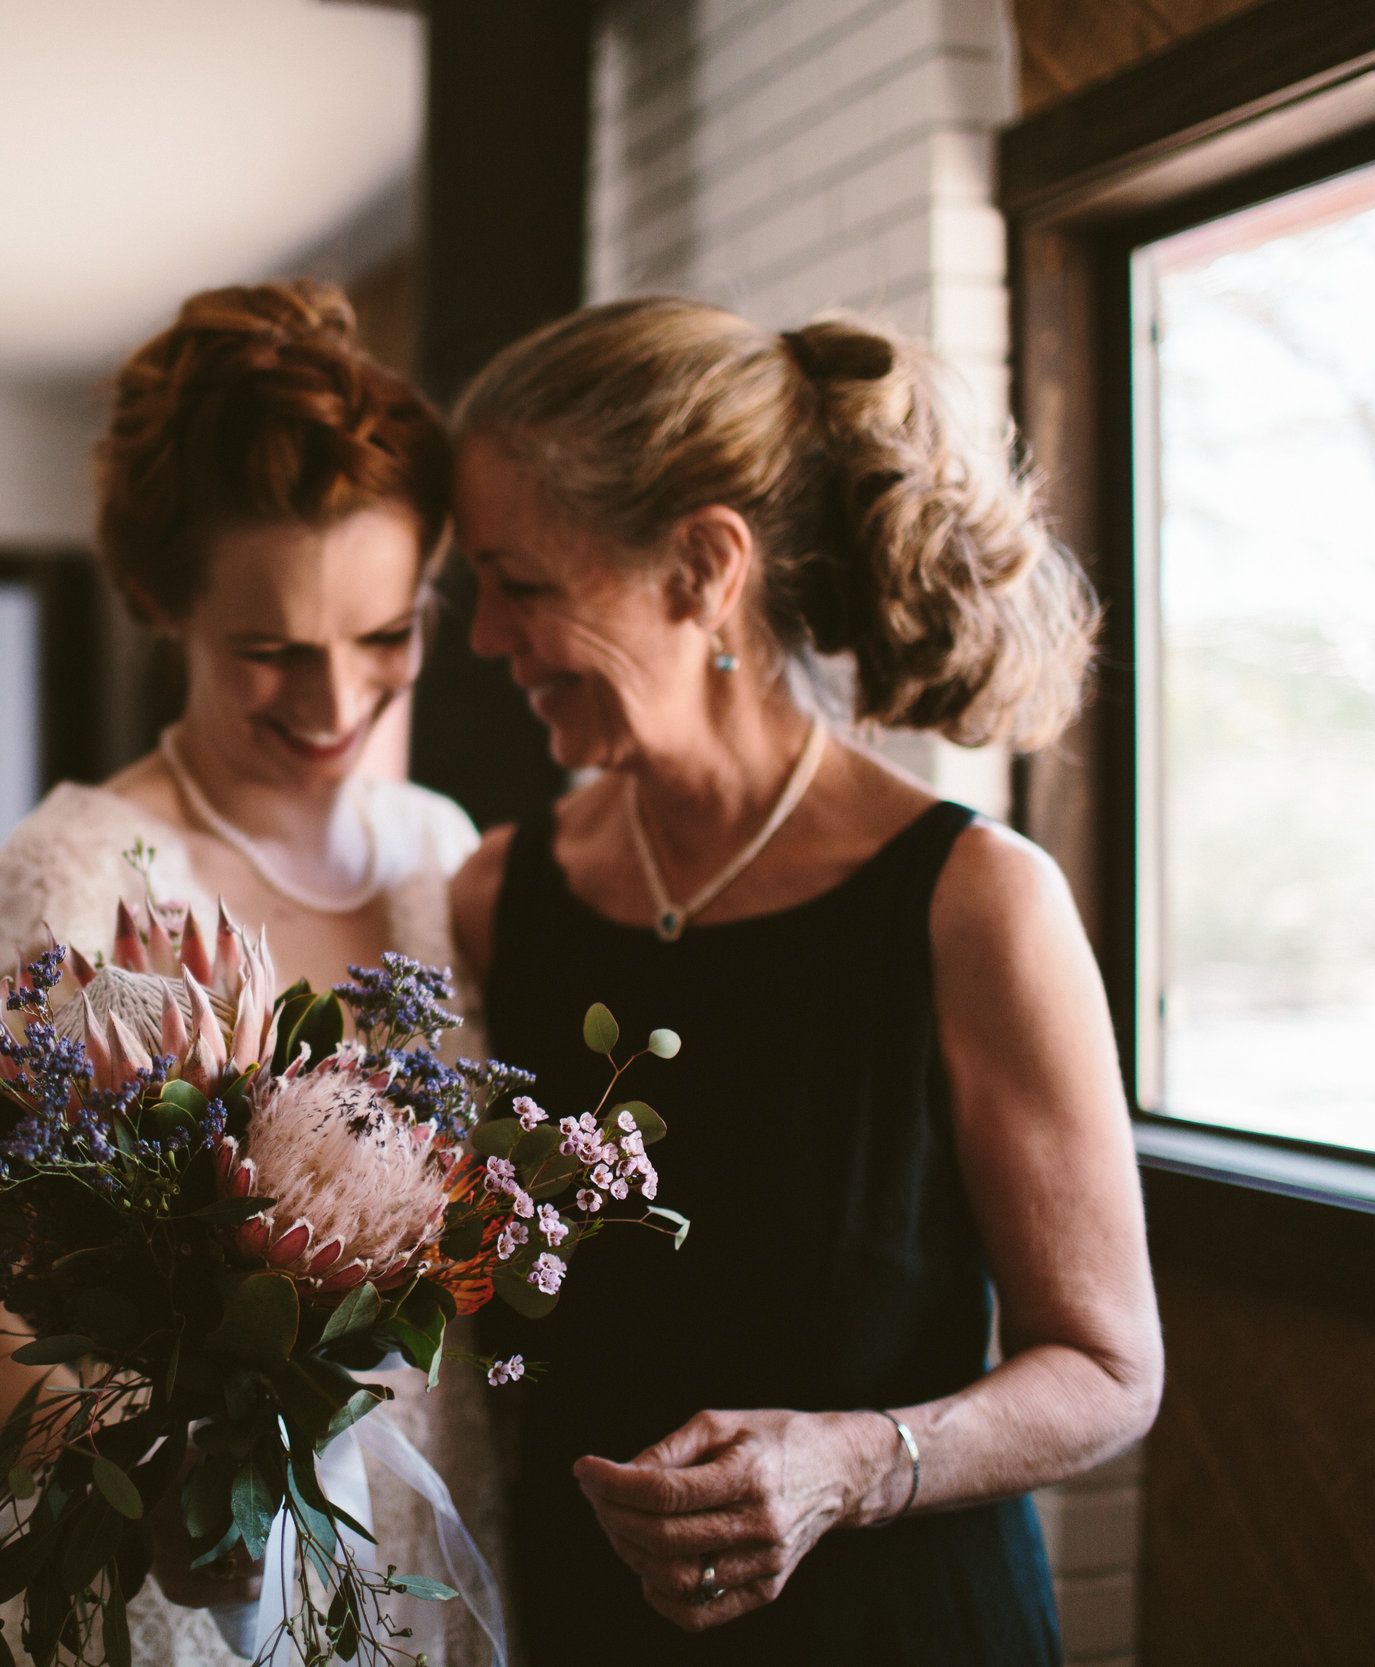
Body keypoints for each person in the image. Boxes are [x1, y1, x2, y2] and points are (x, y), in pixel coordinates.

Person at [444, 298, 1163, 1663]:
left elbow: (1112, 1371)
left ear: (702, 567)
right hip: (588, 1628)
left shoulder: (972, 905)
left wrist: (854, 1463)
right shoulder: (498, 900)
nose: (486, 638)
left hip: (901, 1628)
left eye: (520, 584)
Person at [0, 280, 502, 1667]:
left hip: (416, 1556)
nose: (335, 703)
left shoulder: (438, 852)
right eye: (269, 651)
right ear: (160, 600)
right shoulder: (66, 884)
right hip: (161, 1570)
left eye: (384, 637)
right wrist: (159, 1486)